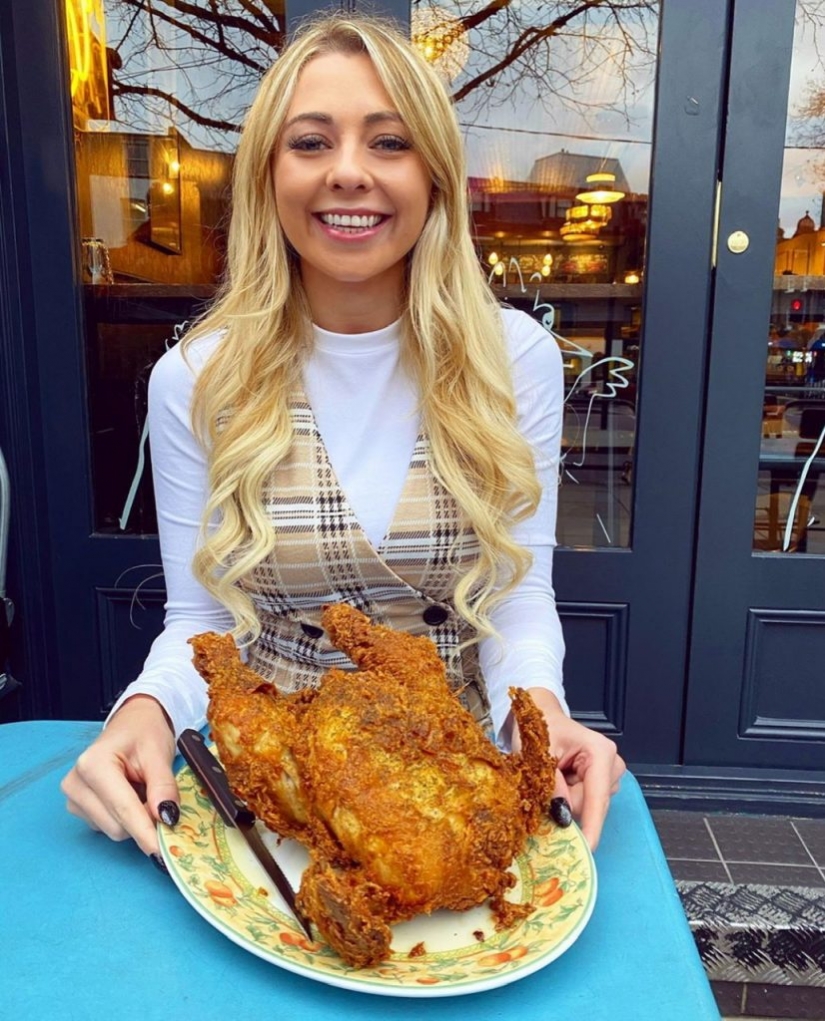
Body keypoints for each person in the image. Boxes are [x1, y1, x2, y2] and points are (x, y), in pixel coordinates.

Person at [61, 13, 625, 863]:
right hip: (272, 797)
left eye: (389, 142)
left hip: (456, 780)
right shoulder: (196, 377)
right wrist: (142, 710)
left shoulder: (515, 359)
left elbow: (513, 594)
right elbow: (201, 619)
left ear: (433, 175)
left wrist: (538, 710)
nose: (350, 173)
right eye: (311, 142)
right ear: (268, 177)